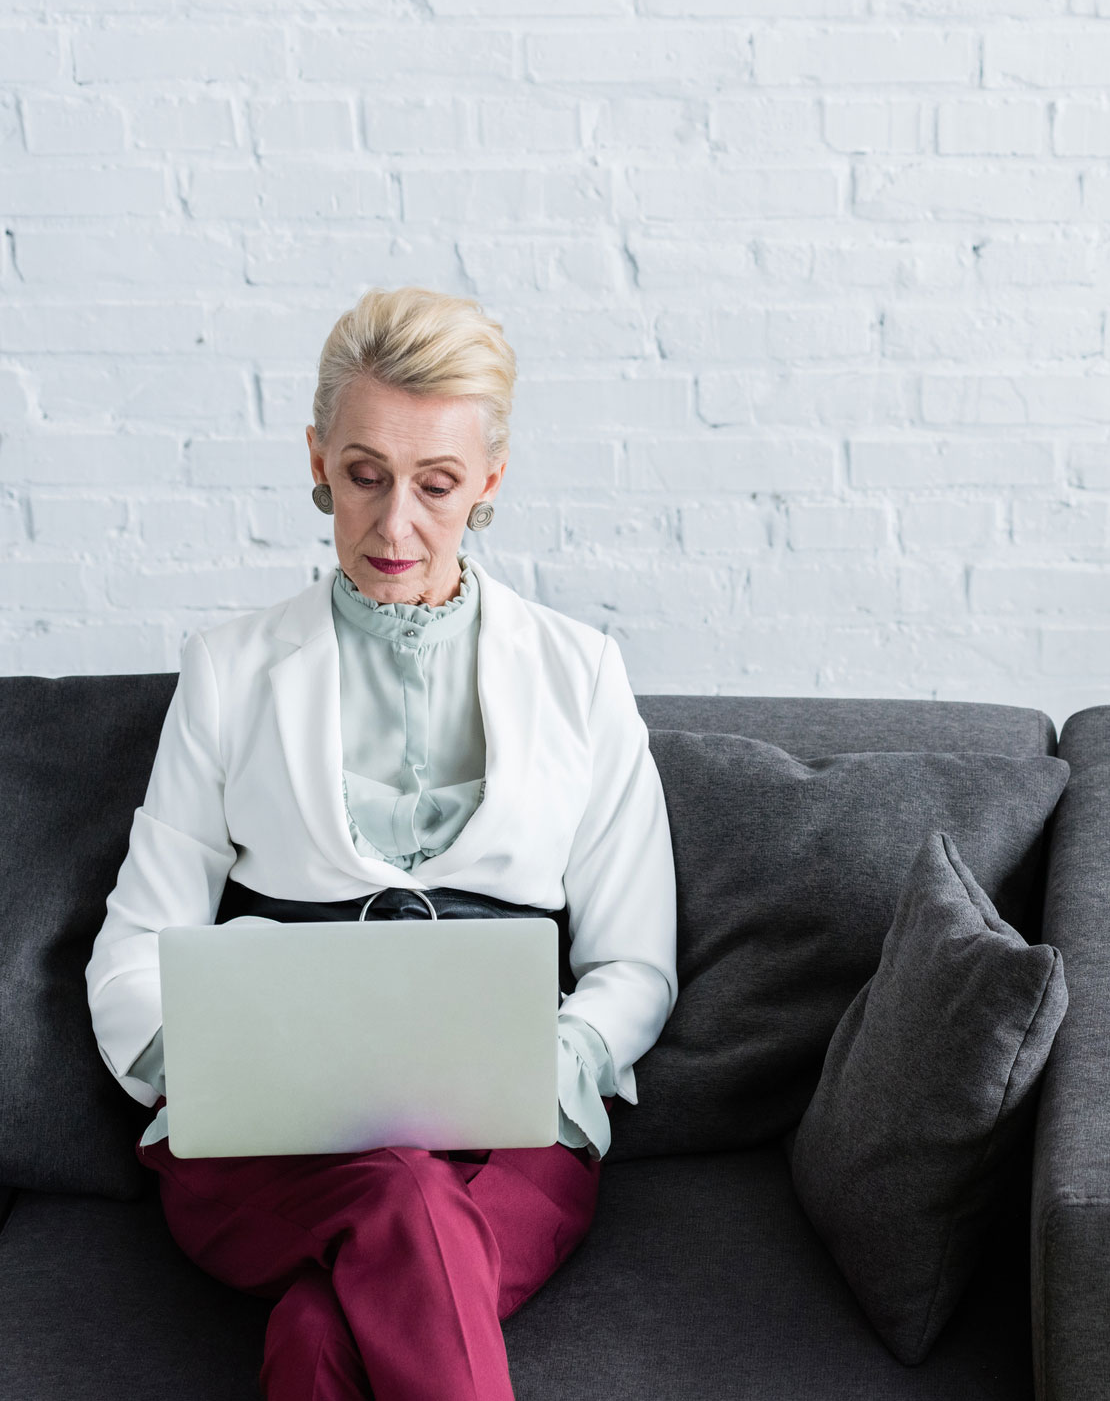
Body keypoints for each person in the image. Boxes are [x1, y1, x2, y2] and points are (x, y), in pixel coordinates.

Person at [83, 286, 678, 1401]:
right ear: (317, 459)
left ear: (489, 482)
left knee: (322, 1332)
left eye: (436, 485)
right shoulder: (228, 672)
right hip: (265, 1155)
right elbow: (129, 953)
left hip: (513, 1142)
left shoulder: (581, 674)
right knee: (399, 1194)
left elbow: (633, 963)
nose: (394, 523)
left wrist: (544, 1071)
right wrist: (216, 1074)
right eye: (363, 475)